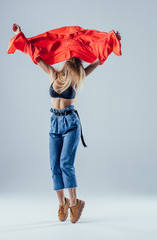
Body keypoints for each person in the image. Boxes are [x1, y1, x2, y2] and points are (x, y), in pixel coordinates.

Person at [12, 24, 113, 224]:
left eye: (74, 65)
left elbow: (97, 62)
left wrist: (109, 43)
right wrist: (19, 35)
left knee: (66, 163)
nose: (71, 65)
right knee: (54, 166)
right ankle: (62, 203)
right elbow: (35, 57)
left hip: (70, 122)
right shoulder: (52, 74)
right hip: (54, 123)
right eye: (70, 63)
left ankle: (75, 202)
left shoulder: (75, 79)